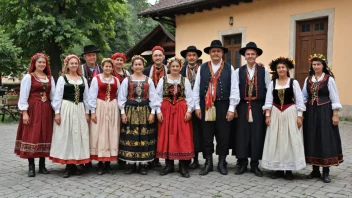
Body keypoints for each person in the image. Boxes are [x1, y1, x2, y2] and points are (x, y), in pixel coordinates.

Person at [193, 40, 239, 175]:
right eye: (213, 51)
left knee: (223, 135)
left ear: (223, 53)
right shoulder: (202, 68)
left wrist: (231, 108)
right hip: (206, 105)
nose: (216, 53)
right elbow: (196, 89)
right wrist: (197, 107)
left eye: (218, 51)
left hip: (223, 105)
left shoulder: (229, 68)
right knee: (207, 135)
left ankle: (222, 162)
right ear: (209, 53)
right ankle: (208, 162)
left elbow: (234, 89)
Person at [261, 57, 306, 180]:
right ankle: (278, 169)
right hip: (275, 112)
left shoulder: (293, 82)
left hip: (290, 112)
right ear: (276, 70)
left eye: (283, 67)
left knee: (290, 139)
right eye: (279, 67)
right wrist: (268, 115)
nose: (281, 69)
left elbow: (300, 100)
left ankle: (289, 169)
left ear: (287, 69)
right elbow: (268, 100)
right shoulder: (273, 83)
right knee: (276, 140)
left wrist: (299, 116)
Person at [302, 54, 343, 183]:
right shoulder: (308, 79)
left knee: (325, 139)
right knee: (312, 138)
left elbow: (334, 97)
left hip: (325, 111)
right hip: (311, 112)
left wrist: (335, 114)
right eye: (314, 64)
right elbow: (304, 97)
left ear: (323, 66)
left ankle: (326, 171)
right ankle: (315, 170)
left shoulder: (328, 79)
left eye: (318, 64)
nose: (316, 66)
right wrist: (300, 112)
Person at [15, 53, 55, 177]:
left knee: (45, 135)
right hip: (33, 108)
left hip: (46, 109)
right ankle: (31, 166)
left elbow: (53, 96)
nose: (42, 64)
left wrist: (56, 111)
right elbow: (23, 96)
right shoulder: (29, 77)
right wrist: (24, 112)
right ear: (34, 64)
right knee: (32, 135)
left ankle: (42, 166)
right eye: (39, 62)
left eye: (44, 62)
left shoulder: (50, 78)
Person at [50, 54, 90, 178]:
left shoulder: (82, 79)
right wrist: (57, 112)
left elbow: (86, 97)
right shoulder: (63, 79)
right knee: (67, 135)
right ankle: (68, 166)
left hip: (79, 109)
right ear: (67, 65)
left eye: (76, 63)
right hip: (66, 108)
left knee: (78, 135)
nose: (74, 65)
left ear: (78, 65)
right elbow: (57, 97)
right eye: (71, 63)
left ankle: (75, 163)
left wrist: (87, 112)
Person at [234, 42, 270, 177]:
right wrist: (235, 107)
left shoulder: (263, 70)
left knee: (257, 134)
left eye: (253, 54)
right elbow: (235, 90)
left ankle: (255, 164)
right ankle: (242, 163)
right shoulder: (238, 71)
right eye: (248, 54)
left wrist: (267, 109)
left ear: (257, 56)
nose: (250, 56)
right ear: (244, 56)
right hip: (243, 106)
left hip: (257, 105)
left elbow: (268, 89)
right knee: (242, 135)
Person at [155, 57, 194, 178]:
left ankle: (183, 166)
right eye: (173, 66)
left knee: (182, 136)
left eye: (177, 66)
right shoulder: (163, 80)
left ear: (180, 67)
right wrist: (158, 111)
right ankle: (169, 165)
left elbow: (190, 97)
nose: (175, 68)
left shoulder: (185, 80)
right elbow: (156, 96)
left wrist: (189, 111)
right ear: (169, 67)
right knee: (167, 136)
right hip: (166, 111)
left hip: (181, 111)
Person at [118, 55, 157, 175]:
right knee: (131, 136)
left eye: (140, 64)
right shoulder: (127, 80)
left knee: (144, 136)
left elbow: (154, 98)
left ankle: (143, 163)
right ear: (132, 66)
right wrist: (123, 113)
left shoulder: (148, 80)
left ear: (143, 66)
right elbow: (121, 97)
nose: (138, 66)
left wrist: (153, 113)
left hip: (145, 110)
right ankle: (131, 163)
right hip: (131, 110)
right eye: (136, 64)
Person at [88, 58, 121, 175]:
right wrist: (93, 111)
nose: (108, 68)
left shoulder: (116, 80)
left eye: (110, 66)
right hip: (100, 106)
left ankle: (108, 164)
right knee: (100, 133)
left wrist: (118, 109)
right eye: (106, 66)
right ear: (102, 67)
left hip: (112, 107)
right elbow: (92, 95)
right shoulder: (96, 79)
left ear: (112, 68)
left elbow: (119, 95)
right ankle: (100, 163)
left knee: (111, 133)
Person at [143, 46, 168, 167]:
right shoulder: (146, 71)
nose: (158, 57)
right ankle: (151, 158)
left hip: (166, 105)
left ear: (163, 57)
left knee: (163, 132)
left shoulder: (169, 70)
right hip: (149, 105)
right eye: (155, 55)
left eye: (160, 55)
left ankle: (162, 156)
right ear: (152, 58)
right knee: (150, 131)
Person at [180, 46, 203, 169]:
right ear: (186, 57)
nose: (191, 57)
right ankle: (186, 157)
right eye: (189, 55)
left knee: (197, 133)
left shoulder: (202, 69)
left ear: (197, 57)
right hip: (185, 106)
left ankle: (196, 159)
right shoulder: (181, 70)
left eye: (194, 55)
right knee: (186, 132)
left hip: (199, 105)